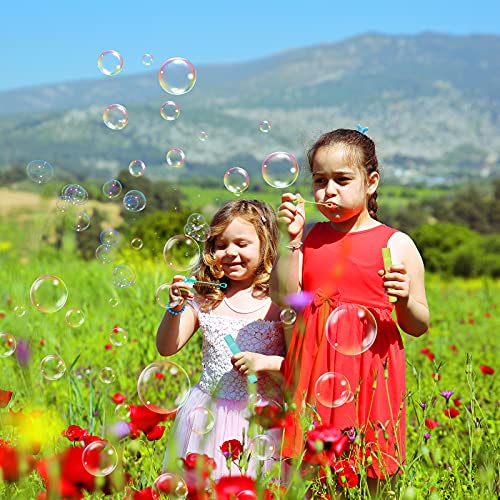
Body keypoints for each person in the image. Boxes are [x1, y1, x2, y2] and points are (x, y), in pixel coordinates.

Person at [277, 129, 430, 488]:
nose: (328, 191)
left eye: (342, 180)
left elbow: (419, 323)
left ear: (371, 182)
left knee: (367, 470)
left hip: (367, 374)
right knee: (308, 475)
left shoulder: (395, 243)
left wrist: (406, 299)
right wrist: (292, 241)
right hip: (314, 372)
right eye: (319, 180)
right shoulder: (309, 237)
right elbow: (285, 296)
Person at [157, 199, 286, 480]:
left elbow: (298, 362)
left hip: (261, 419)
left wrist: (265, 362)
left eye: (242, 244)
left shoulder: (277, 301)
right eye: (220, 245)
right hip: (207, 416)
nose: (230, 253)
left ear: (266, 246)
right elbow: (167, 347)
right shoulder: (205, 297)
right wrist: (175, 308)